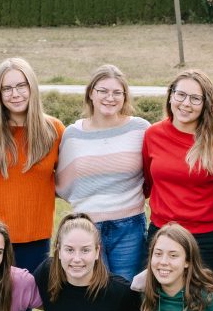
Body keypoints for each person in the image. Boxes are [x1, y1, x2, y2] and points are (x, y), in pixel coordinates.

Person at [0, 57, 65, 280]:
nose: (14, 94)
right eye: (6, 88)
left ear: (32, 87)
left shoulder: (53, 131)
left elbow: (68, 180)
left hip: (34, 239)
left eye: (21, 86)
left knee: (24, 300)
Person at [55, 64, 151, 279]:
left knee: (127, 290)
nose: (110, 98)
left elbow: (151, 174)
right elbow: (63, 184)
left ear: (125, 96)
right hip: (87, 227)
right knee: (94, 290)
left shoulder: (140, 129)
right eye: (103, 91)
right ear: (91, 93)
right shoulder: (73, 134)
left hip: (130, 226)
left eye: (117, 92)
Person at [141, 70, 213, 276]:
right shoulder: (153, 134)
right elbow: (148, 183)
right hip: (162, 235)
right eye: (181, 95)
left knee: (206, 296)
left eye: (195, 98)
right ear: (170, 96)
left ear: (206, 103)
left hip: (206, 238)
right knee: (159, 295)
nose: (186, 103)